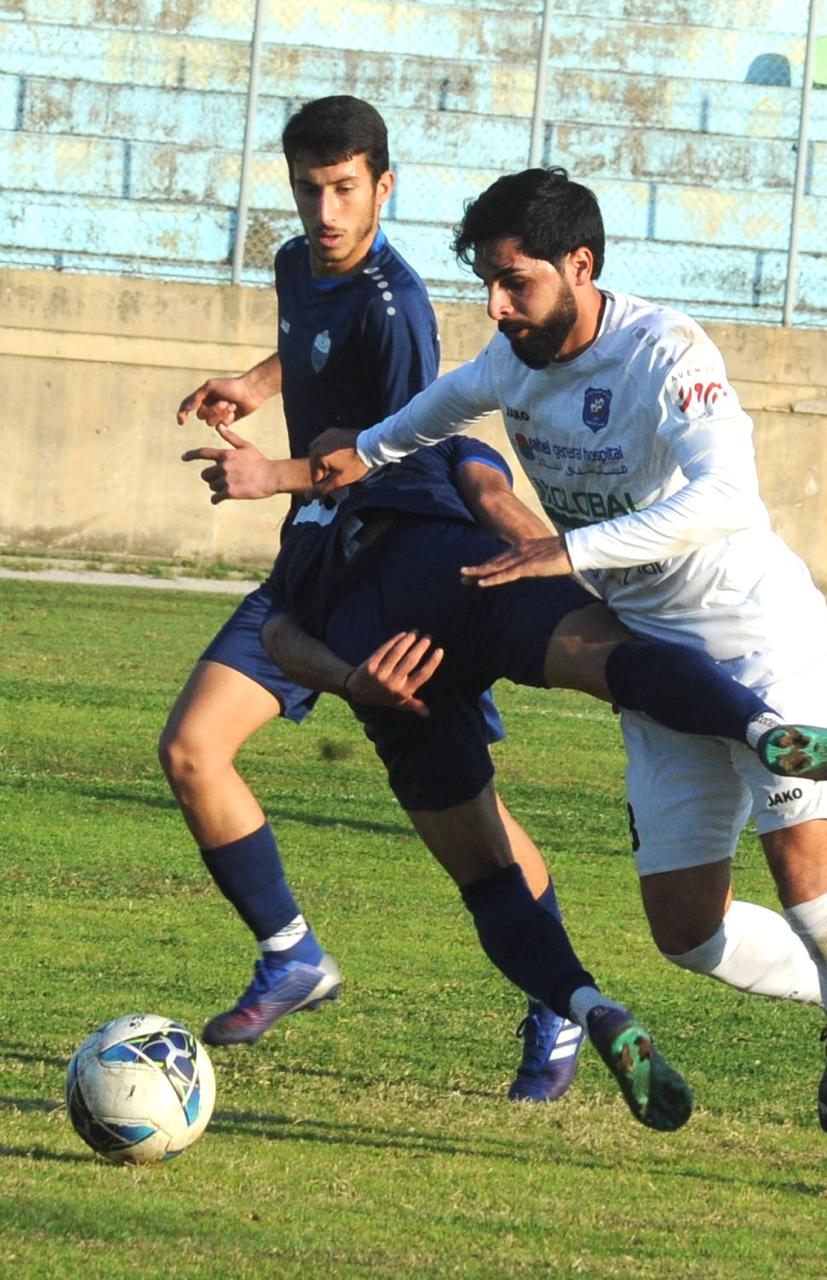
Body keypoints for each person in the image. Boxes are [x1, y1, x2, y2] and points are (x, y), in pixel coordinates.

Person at [302, 167, 827, 1203]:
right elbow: (418, 422)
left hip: (758, 637)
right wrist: (332, 460)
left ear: (580, 265)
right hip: (652, 661)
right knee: (686, 932)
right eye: (486, 283)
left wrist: (567, 551)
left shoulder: (666, 351)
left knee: (813, 892)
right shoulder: (510, 364)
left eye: (515, 283)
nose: (497, 307)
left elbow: (727, 499)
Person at [192, 420, 827, 1135]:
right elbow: (282, 631)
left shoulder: (399, 456)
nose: (323, 447)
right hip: (420, 632)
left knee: (496, 864)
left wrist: (550, 575)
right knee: (604, 679)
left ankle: (586, 1004)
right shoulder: (323, 520)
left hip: (439, 609)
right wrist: (355, 676)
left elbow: (484, 502)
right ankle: (763, 737)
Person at [163, 95, 586, 1104]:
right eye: (308, 189)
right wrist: (257, 383)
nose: (326, 211)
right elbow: (314, 344)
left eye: (345, 188)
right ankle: (291, 953)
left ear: (382, 186)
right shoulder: (294, 265)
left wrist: (274, 476)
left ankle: (559, 999)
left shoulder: (398, 306)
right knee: (191, 748)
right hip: (310, 564)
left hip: (393, 570)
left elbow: (397, 451)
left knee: (474, 821)